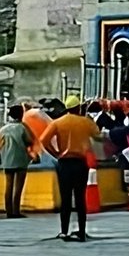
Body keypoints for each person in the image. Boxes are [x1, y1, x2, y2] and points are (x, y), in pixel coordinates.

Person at [40, 94, 100, 241]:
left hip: (64, 164)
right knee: (80, 198)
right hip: (80, 163)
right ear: (78, 108)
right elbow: (98, 136)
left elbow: (43, 140)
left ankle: (64, 231)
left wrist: (56, 153)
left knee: (65, 198)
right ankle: (82, 231)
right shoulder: (86, 122)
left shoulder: (58, 123)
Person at [0, 105, 34, 219]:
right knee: (18, 187)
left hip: (7, 160)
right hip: (20, 160)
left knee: (8, 186)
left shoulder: (3, 129)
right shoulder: (22, 128)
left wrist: (0, 157)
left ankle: (9, 211)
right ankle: (16, 211)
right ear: (21, 114)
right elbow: (29, 141)